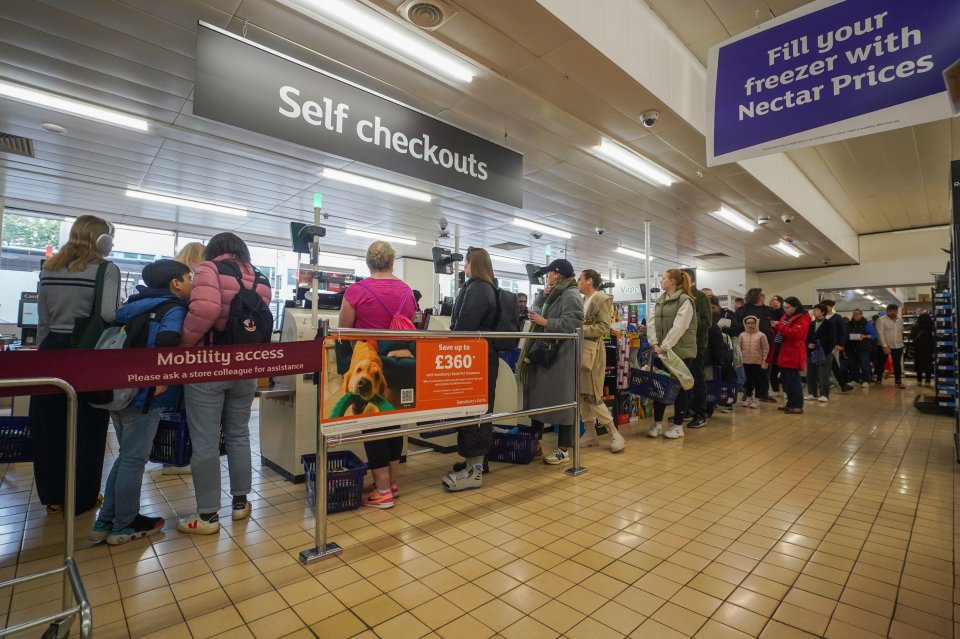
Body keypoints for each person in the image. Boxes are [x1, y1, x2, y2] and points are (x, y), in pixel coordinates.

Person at [90, 260, 192, 544]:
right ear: (176, 283)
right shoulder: (172, 308)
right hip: (146, 396)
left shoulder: (132, 306)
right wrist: (162, 378)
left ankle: (105, 520)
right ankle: (125, 524)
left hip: (119, 392)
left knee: (126, 457)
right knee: (134, 459)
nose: (191, 282)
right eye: (189, 277)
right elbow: (169, 338)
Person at [177, 233, 272, 533]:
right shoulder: (261, 277)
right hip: (246, 366)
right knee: (238, 434)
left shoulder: (209, 269)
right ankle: (241, 504)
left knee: (205, 440)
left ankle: (207, 517)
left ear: (214, 251)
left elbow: (205, 310)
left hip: (209, 366)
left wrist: (184, 346)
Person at [30, 215, 120, 514]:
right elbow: (108, 314)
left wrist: (45, 351)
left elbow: (43, 319)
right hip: (87, 352)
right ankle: (82, 498)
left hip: (50, 349)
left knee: (49, 427)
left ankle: (53, 496)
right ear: (101, 240)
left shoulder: (50, 268)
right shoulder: (106, 269)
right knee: (88, 426)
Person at [338, 241, 416, 508]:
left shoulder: (357, 291)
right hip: (402, 366)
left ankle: (382, 491)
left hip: (373, 367)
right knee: (394, 422)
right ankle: (391, 483)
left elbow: (343, 331)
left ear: (369, 263)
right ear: (393, 262)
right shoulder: (407, 291)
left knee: (373, 424)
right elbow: (410, 325)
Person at [442, 248, 501, 491]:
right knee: (476, 408)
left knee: (474, 410)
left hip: (477, 359)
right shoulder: (485, 287)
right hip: (480, 357)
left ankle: (474, 470)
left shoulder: (478, 289)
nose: (463, 266)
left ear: (471, 264)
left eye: (465, 262)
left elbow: (465, 324)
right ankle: (474, 462)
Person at [517, 259, 584, 464]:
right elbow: (536, 315)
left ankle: (563, 449)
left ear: (558, 274)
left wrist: (546, 322)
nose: (547, 276)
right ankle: (534, 443)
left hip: (561, 358)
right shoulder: (554, 294)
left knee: (564, 403)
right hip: (546, 355)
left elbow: (574, 323)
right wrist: (541, 297)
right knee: (538, 400)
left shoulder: (571, 294)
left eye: (550, 273)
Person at [645, 269, 699, 439]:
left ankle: (677, 426)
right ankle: (658, 424)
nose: (661, 281)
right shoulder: (660, 301)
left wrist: (665, 345)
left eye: (663, 278)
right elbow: (651, 323)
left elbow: (680, 326)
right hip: (661, 350)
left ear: (673, 281)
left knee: (680, 388)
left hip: (681, 352)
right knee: (659, 387)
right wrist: (654, 342)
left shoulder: (686, 301)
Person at [578, 269, 625, 453]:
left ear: (589, 281)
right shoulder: (583, 301)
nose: (578, 282)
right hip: (582, 350)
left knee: (593, 394)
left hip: (594, 352)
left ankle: (614, 433)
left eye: (580, 279)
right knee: (582, 395)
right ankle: (590, 433)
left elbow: (604, 326)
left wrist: (580, 329)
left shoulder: (601, 299)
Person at [771, 297, 811, 414]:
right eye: (784, 307)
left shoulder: (802, 319)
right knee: (786, 381)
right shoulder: (787, 316)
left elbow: (795, 334)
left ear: (796, 307)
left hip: (793, 352)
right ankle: (790, 403)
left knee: (793, 381)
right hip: (783, 351)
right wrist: (775, 327)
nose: (785, 309)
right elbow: (782, 331)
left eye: (788, 307)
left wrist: (778, 326)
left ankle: (797, 406)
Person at [681, 269, 711, 428]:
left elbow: (707, 322)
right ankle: (686, 410)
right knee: (684, 378)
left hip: (697, 345)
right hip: (681, 345)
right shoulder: (680, 296)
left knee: (697, 379)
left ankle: (701, 413)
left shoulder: (700, 297)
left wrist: (687, 330)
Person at [737, 288, 775, 402]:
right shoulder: (742, 310)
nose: (764, 297)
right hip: (748, 344)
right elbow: (738, 327)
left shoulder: (768, 310)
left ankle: (763, 393)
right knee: (748, 371)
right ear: (756, 296)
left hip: (765, 344)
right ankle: (747, 392)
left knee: (764, 370)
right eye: (762, 295)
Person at [805, 304, 836, 402]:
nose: (814, 312)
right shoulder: (811, 324)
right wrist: (808, 344)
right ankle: (812, 393)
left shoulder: (830, 324)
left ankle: (824, 394)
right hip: (811, 352)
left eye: (817, 310)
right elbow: (806, 337)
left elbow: (831, 338)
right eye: (814, 310)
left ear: (823, 312)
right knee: (810, 373)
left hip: (824, 352)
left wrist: (817, 343)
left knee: (823, 374)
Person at [738, 316, 769, 408]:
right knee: (748, 381)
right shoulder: (742, 335)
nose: (750, 324)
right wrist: (738, 362)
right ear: (745, 323)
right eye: (748, 323)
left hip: (757, 362)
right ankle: (748, 397)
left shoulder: (761, 335)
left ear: (756, 323)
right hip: (745, 362)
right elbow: (738, 350)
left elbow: (765, 349)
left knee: (758, 381)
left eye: (752, 322)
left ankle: (757, 398)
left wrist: (765, 361)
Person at [822, 300, 852, 392]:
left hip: (834, 345)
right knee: (827, 365)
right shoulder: (821, 317)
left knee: (834, 364)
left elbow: (843, 332)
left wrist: (840, 344)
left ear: (831, 307)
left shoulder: (837, 318)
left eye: (826, 306)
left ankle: (835, 383)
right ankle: (832, 383)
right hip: (823, 345)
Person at [876, 304, 906, 388]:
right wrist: (884, 346)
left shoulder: (900, 320)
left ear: (897, 311)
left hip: (898, 346)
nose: (892, 313)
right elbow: (880, 333)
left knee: (897, 364)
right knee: (881, 363)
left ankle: (898, 381)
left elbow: (900, 332)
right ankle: (878, 379)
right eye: (890, 311)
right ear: (887, 311)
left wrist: (901, 343)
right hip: (884, 346)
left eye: (894, 311)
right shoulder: (881, 320)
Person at [846, 309, 875, 387]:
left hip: (863, 348)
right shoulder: (850, 324)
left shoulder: (867, 324)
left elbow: (874, 335)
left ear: (861, 314)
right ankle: (855, 379)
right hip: (852, 347)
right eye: (854, 313)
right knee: (853, 365)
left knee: (864, 365)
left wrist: (865, 336)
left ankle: (867, 381)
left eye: (857, 313)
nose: (855, 315)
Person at [767, 295, 786, 396]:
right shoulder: (769, 312)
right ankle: (775, 390)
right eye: (772, 300)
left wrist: (777, 324)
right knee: (773, 367)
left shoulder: (784, 314)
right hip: (773, 342)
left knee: (783, 368)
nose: (774, 302)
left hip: (782, 343)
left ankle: (786, 390)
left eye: (776, 300)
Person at [911, 310, 935, 387]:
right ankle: (927, 381)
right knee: (928, 365)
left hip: (918, 348)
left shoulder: (915, 326)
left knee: (918, 364)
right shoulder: (931, 326)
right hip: (928, 349)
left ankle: (919, 381)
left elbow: (912, 337)